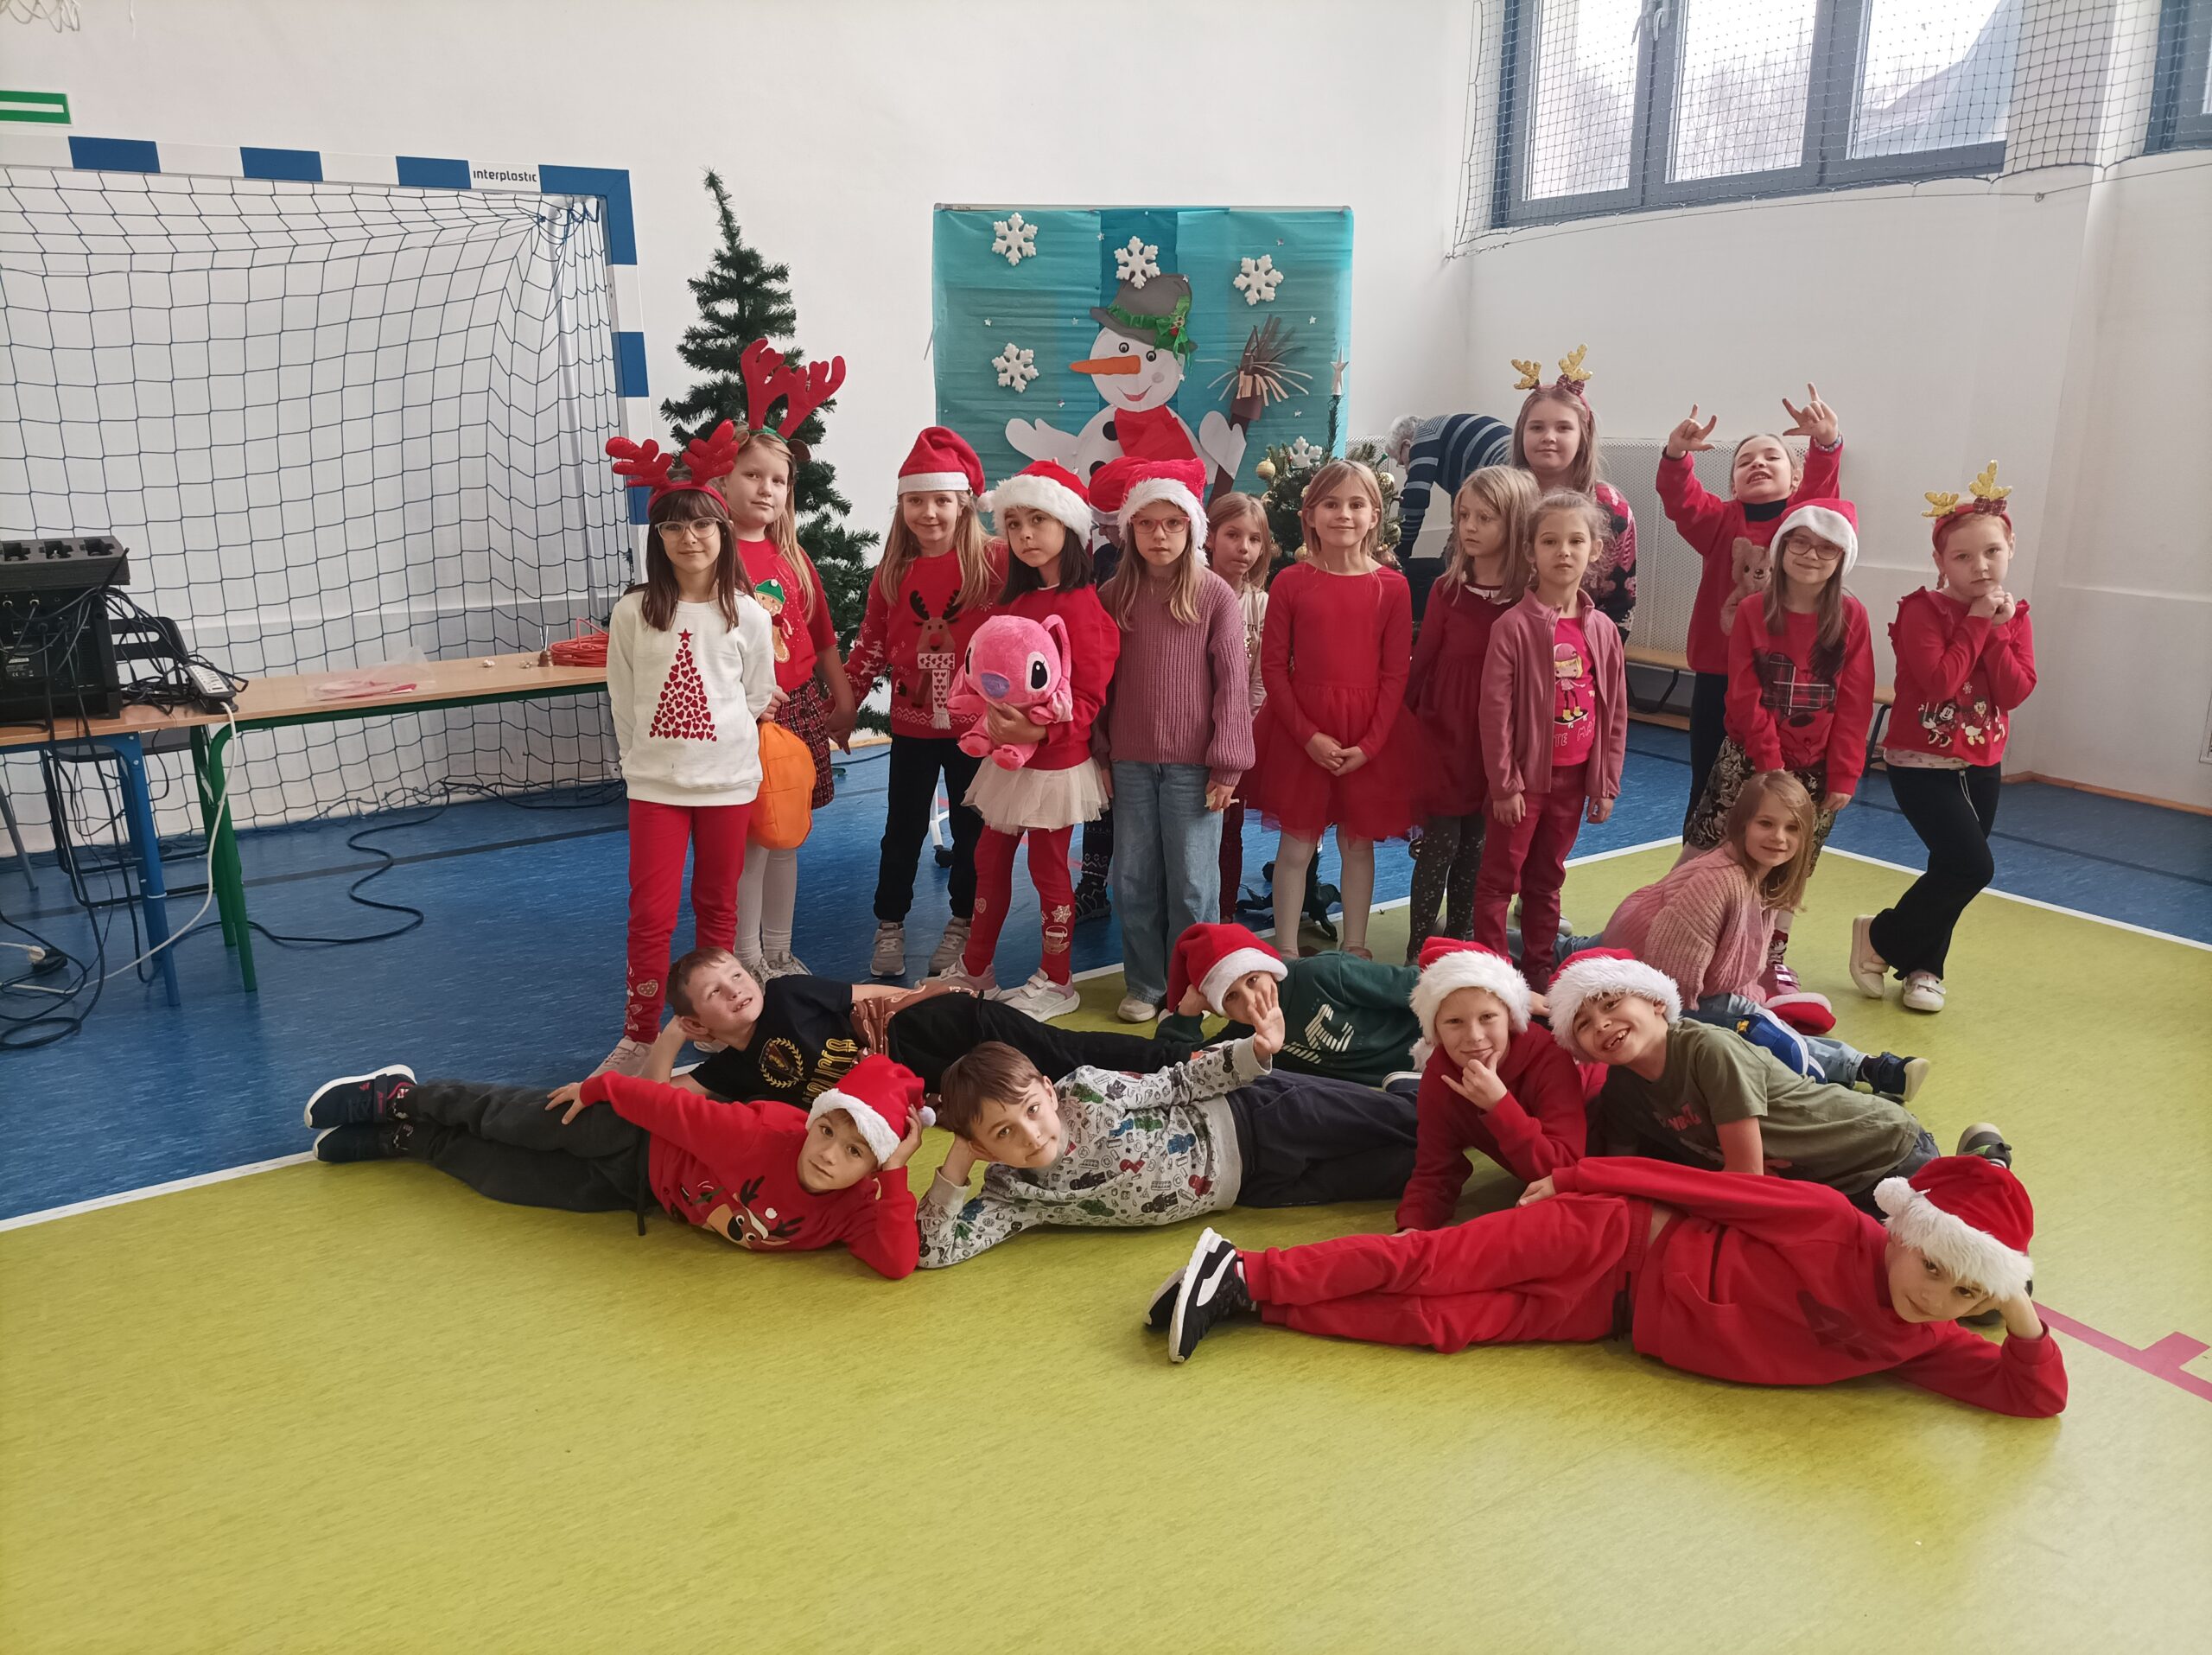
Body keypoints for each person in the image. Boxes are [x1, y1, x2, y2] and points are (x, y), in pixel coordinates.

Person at [1151, 1152, 2063, 1424]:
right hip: (1616, 1232)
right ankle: (1251, 1267)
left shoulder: (1922, 1339)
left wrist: (2011, 1299)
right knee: (1428, 1262)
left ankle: (1246, 1297)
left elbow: (2034, 1397)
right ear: (1904, 1233)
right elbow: (1701, 1187)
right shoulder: (1830, 1220)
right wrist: (1578, 1177)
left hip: (1604, 1317)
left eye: (1961, 1293)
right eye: (1931, 1263)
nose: (1934, 1294)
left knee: (1441, 1324)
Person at [303, 1053, 931, 1280]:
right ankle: (402, 1096)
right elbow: (675, 1109)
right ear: (813, 1120)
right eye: (827, 1131)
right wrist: (600, 1088)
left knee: (503, 1179)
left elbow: (898, 1262)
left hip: (637, 1189)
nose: (827, 1153)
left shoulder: (856, 1210)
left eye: (855, 1152)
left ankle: (410, 1140)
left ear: (875, 1168)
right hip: (632, 1133)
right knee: (508, 1118)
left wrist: (897, 1175)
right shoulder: (762, 1135)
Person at [916, 989, 1419, 1269]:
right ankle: (1411, 1098)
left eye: (1031, 1110)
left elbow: (1177, 1081)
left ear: (1048, 1091)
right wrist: (959, 1158)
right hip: (1256, 1187)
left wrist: (1254, 1052)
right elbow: (934, 1249)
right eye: (1002, 1134)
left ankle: (1415, 1090)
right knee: (1414, 1169)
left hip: (1259, 1114)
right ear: (983, 1147)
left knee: (1412, 1121)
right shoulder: (1014, 1196)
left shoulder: (1087, 1093)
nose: (1029, 1135)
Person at [596, 422, 778, 1077]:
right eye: (673, 527)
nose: (689, 537)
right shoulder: (633, 613)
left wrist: (721, 750)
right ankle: (640, 1033)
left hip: (728, 785)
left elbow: (756, 695)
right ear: (658, 538)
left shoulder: (747, 614)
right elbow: (622, 698)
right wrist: (643, 763)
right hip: (656, 787)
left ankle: (716, 1026)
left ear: (722, 531)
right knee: (649, 913)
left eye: (702, 524)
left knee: (717, 907)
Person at [1602, 773, 1927, 1100]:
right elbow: (1671, 989)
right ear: (1742, 824)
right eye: (1766, 823)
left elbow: (1740, 963)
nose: (1779, 838)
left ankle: (1867, 1067)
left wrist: (1754, 1008)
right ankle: (1866, 1068)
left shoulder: (1765, 876)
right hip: (1633, 972)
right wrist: (1747, 1018)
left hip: (1653, 969)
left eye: (1792, 828)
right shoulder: (1716, 883)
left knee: (1753, 1019)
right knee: (1753, 1025)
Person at [1548, 949, 1953, 1212]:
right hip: (1822, 1192)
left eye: (1612, 1003)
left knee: (1950, 1274)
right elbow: (1620, 1172)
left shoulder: (1708, 1050)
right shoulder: (1622, 1091)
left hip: (1884, 1152)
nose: (1602, 1024)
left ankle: (1979, 1158)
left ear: (1656, 1002)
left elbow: (1745, 1177)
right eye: (1583, 1024)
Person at [937, 461, 1119, 1019]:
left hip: (1056, 765)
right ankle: (977, 970)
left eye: (1038, 520)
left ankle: (1058, 981)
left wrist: (1039, 729)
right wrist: (990, 715)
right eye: (1014, 523)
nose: (1025, 534)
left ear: (1069, 525)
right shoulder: (1018, 601)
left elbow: (1088, 699)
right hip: (1008, 761)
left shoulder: (1084, 608)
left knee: (1048, 868)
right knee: (987, 857)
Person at [1854, 465, 2037, 1015]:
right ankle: (1882, 937)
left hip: (1982, 762)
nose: (1980, 566)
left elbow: (2014, 691)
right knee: (1972, 867)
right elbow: (1940, 682)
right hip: (1921, 761)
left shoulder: (2016, 616)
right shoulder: (1922, 610)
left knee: (1950, 869)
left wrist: (1998, 629)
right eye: (1962, 556)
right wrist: (1978, 622)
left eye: (1992, 552)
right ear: (1940, 562)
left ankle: (1925, 968)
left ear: (2010, 549)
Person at [1680, 498, 1872, 995]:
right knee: (1707, 843)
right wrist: (1770, 766)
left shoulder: (1851, 617)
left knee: (1792, 863)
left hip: (1816, 769)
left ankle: (1770, 954)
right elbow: (1745, 695)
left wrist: (1844, 772)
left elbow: (1855, 700)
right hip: (1748, 757)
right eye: (1800, 543)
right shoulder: (1752, 610)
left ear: (1842, 558)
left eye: (1826, 548)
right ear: (1782, 547)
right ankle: (1671, 921)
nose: (1811, 555)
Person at [1091, 456, 1255, 1022]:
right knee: (1133, 878)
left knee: (1192, 884)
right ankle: (1145, 983)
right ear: (1129, 529)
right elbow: (1099, 683)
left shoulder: (1214, 596)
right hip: (1132, 763)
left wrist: (1227, 765)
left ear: (1191, 528)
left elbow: (1233, 684)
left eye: (1172, 523)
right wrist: (1101, 753)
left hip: (1194, 768)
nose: (1159, 535)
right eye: (1146, 523)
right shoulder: (1113, 596)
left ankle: (1194, 984)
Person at [1240, 460, 1421, 961]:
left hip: (1367, 734)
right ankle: (1287, 951)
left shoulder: (1393, 587)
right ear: (1310, 515)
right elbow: (1273, 669)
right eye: (1331, 504)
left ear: (1374, 515)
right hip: (1302, 733)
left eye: (1356, 504)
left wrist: (1371, 745)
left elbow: (1395, 675)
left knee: (1357, 845)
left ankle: (1356, 945)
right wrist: (1308, 736)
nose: (1344, 514)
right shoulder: (1291, 583)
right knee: (1296, 846)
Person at [634, 946, 1206, 1104]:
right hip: (927, 1079)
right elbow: (655, 1098)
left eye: (737, 974)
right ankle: (1176, 1063)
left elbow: (865, 994)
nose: (737, 988)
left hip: (932, 1028)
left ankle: (1181, 1058)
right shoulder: (729, 1073)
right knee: (1054, 1090)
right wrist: (672, 1034)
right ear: (697, 1020)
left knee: (1061, 1052)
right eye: (715, 992)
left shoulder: (785, 993)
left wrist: (924, 993)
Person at [845, 427, 1004, 979]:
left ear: (964, 504)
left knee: (971, 831)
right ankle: (889, 923)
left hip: (977, 731)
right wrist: (845, 706)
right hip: (912, 728)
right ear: (902, 507)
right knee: (903, 830)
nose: (929, 513)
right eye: (916, 501)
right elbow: (869, 645)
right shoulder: (892, 572)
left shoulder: (996, 563)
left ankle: (962, 923)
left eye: (941, 500)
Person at [1654, 386, 1845, 818]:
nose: (1758, 463)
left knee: (1775, 784)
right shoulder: (1719, 523)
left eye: (1772, 457)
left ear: (1794, 479)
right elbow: (1682, 503)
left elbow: (1822, 490)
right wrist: (1676, 456)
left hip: (1784, 676)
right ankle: (1700, 852)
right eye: (1745, 461)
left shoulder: (1801, 523)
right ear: (1733, 484)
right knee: (1708, 782)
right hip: (1719, 674)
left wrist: (1825, 442)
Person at [1471, 489, 1627, 990]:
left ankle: (1539, 968)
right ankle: (1494, 971)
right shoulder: (1513, 627)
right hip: (1522, 784)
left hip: (1574, 781)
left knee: (1548, 877)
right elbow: (1495, 714)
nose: (1563, 551)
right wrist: (1504, 785)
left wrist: (1605, 783)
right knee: (1500, 878)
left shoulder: (1603, 630)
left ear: (1595, 550)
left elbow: (1614, 713)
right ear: (1531, 551)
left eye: (1576, 541)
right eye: (1550, 541)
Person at [724, 424, 857, 980]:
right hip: (745, 718)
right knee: (751, 843)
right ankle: (746, 957)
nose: (766, 489)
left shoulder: (793, 557)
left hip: (799, 710)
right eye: (752, 475)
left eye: (778, 480)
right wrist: (746, 696)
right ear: (723, 480)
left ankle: (778, 952)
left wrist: (843, 698)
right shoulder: (713, 556)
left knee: (786, 836)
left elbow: (821, 639)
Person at [1405, 465, 1541, 961]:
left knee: (1475, 847)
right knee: (1440, 842)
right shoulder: (1448, 590)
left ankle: (1462, 943)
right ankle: (1419, 950)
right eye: (1464, 515)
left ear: (1516, 523)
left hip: (1496, 744)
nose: (1469, 527)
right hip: (1445, 735)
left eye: (1485, 518)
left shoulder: (1529, 600)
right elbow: (1424, 659)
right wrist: (1404, 723)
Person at [1394, 939, 1595, 1231]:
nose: (1474, 1036)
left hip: (1608, 1153)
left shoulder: (1551, 1058)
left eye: (1487, 1017)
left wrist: (1499, 1105)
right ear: (1434, 1031)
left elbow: (1563, 1171)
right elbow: (1435, 1170)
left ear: (1511, 1017)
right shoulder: (1439, 1075)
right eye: (1454, 1022)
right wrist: (1412, 1227)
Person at [1153, 920, 1422, 1089]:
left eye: (1253, 980)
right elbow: (1176, 1070)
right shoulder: (1249, 1034)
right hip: (1395, 1087)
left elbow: (1420, 985)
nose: (1250, 1000)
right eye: (1231, 997)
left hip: (1431, 1047)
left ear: (1268, 967)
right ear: (1220, 1010)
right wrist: (1188, 1013)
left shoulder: (1323, 974)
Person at [1506, 347, 1636, 638]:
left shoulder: (1611, 509)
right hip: (1507, 646)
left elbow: (1620, 605)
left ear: (1583, 437)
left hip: (1582, 652)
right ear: (1521, 434)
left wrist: (1598, 657)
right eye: (1536, 427)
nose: (1548, 437)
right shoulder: (1501, 499)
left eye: (1564, 428)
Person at [1205, 493, 1274, 923]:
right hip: (1186, 737)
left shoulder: (1261, 605)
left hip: (1234, 741)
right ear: (1210, 537)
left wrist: (1238, 731)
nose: (1244, 548)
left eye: (1254, 539)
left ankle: (1224, 916)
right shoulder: (1190, 591)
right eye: (1233, 535)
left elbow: (1260, 679)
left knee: (1228, 832)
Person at [1384, 411, 1513, 615]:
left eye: (1402, 461)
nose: (1407, 469)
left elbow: (1416, 498)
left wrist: (1399, 555)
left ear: (1408, 445)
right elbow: (1458, 518)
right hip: (1511, 475)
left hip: (1506, 475)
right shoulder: (1455, 452)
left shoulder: (1425, 433)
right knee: (1455, 565)